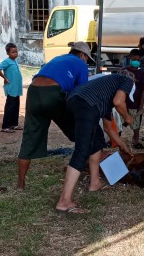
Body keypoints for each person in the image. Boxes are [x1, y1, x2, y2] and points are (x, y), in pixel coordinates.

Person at [17, 42, 91, 189]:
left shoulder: (58, 59)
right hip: (53, 92)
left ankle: (20, 184)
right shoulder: (81, 64)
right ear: (82, 55)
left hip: (33, 91)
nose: (86, 61)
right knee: (80, 132)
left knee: (30, 136)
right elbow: (82, 92)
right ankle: (85, 166)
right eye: (87, 58)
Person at [56, 74, 135, 213]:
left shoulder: (104, 95)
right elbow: (119, 101)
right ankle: (64, 201)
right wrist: (128, 117)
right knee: (83, 150)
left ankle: (95, 183)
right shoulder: (127, 80)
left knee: (97, 139)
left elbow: (108, 128)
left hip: (73, 101)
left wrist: (123, 146)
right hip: (86, 104)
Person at [121, 49, 144, 148]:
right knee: (119, 123)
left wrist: (141, 105)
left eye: (138, 59)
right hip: (122, 102)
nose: (136, 61)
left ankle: (136, 141)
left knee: (135, 124)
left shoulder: (141, 73)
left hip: (135, 103)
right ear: (130, 58)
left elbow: (143, 90)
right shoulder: (124, 71)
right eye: (134, 59)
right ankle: (114, 140)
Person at [0, 43, 23, 132]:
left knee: (16, 106)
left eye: (16, 51)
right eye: (13, 52)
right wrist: (4, 78)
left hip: (16, 88)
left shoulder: (15, 61)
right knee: (10, 107)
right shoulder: (7, 61)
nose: (15, 53)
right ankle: (5, 126)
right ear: (8, 53)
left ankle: (14, 124)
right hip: (11, 88)